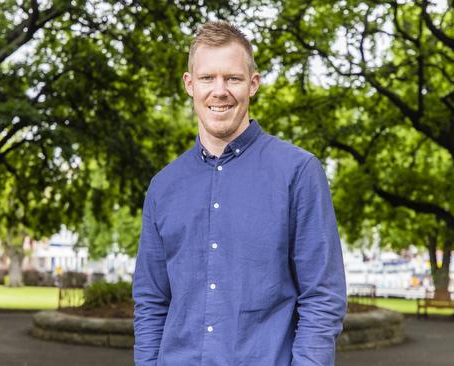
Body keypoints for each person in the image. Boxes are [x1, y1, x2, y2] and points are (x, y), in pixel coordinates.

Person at [133, 20, 347, 365]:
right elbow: (151, 300)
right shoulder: (163, 187)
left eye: (232, 78)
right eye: (207, 78)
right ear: (190, 85)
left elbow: (323, 296)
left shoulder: (298, 172)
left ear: (253, 83)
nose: (219, 91)